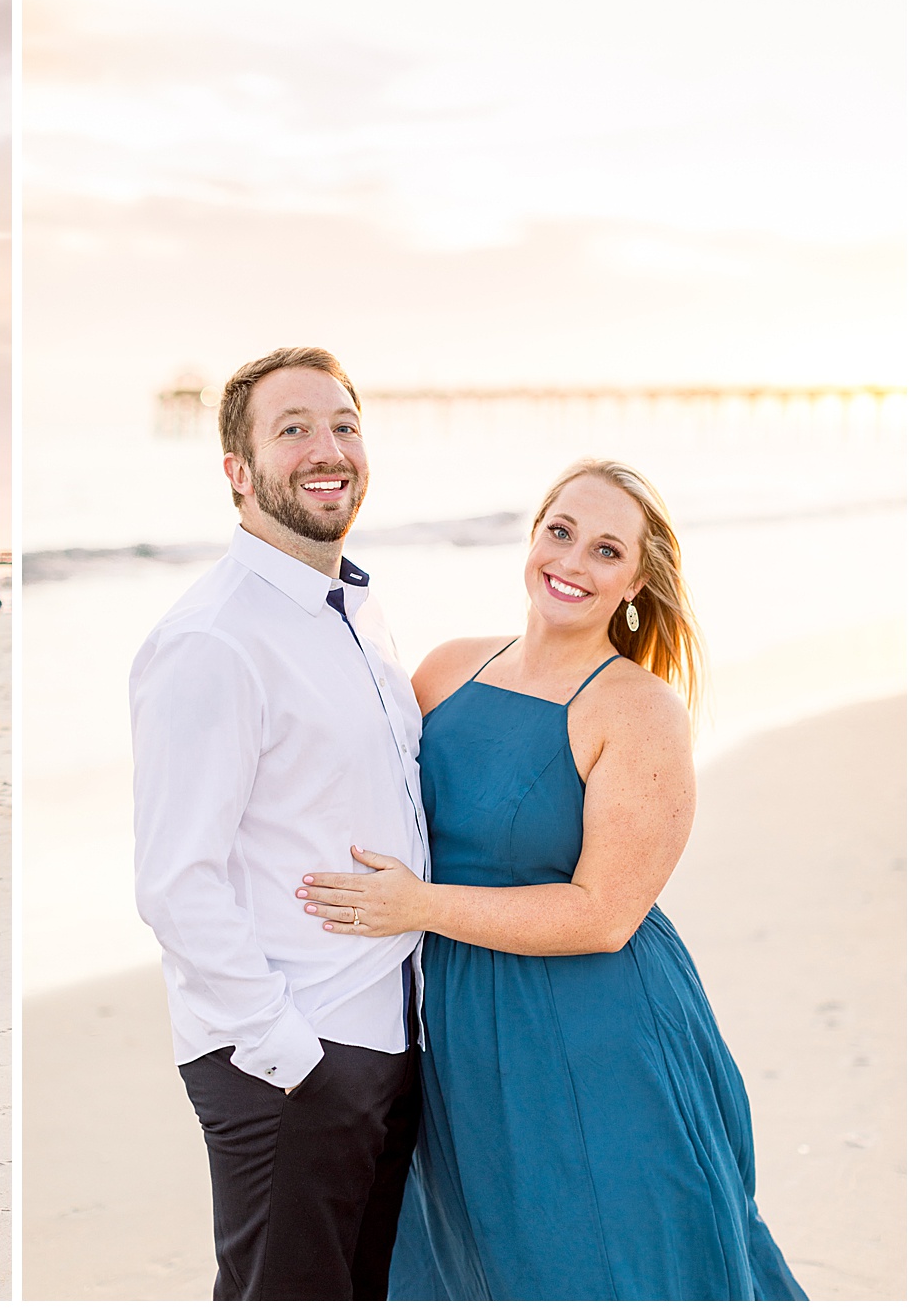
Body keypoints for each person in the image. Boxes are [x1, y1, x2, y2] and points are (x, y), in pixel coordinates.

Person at [294, 460, 807, 1300]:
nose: (571, 562)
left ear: (638, 582)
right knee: (480, 1255)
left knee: (612, 1256)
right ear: (532, 535)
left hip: (597, 1029)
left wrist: (416, 907)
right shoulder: (445, 670)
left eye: (607, 551)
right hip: (455, 1023)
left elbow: (605, 914)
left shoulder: (637, 708)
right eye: (560, 532)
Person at [130, 346, 430, 1300]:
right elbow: (177, 882)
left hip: (384, 1041)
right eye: (292, 428)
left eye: (343, 424)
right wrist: (291, 1055)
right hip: (293, 1060)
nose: (326, 448)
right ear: (238, 472)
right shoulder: (212, 639)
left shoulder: (355, 613)